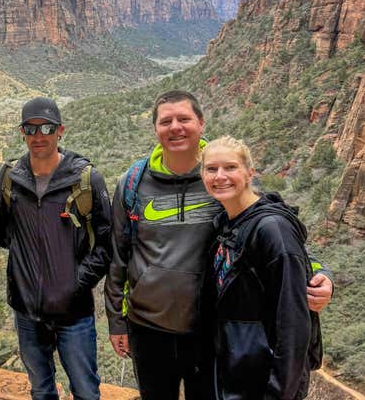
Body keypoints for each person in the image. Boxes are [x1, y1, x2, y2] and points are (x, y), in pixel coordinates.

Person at [104, 90, 333, 400]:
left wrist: (320, 274)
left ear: (200, 123)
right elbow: (119, 255)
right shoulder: (133, 182)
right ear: (155, 128)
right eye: (166, 121)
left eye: (184, 119)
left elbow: (275, 229)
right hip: (148, 328)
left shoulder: (223, 174)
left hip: (208, 332)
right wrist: (117, 321)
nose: (175, 127)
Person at [0, 97, 112, 400]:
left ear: (61, 131)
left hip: (75, 313)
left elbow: (107, 242)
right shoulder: (8, 179)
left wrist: (76, 283)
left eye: (46, 127)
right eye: (30, 129)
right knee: (41, 391)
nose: (38, 135)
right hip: (27, 310)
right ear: (21, 133)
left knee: (85, 390)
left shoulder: (85, 179)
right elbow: (0, 233)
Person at [201, 136, 317, 399]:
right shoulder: (226, 224)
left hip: (263, 382)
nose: (220, 176)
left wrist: (279, 393)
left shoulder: (272, 229)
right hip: (233, 373)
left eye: (230, 167)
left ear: (250, 172)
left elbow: (293, 324)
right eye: (211, 169)